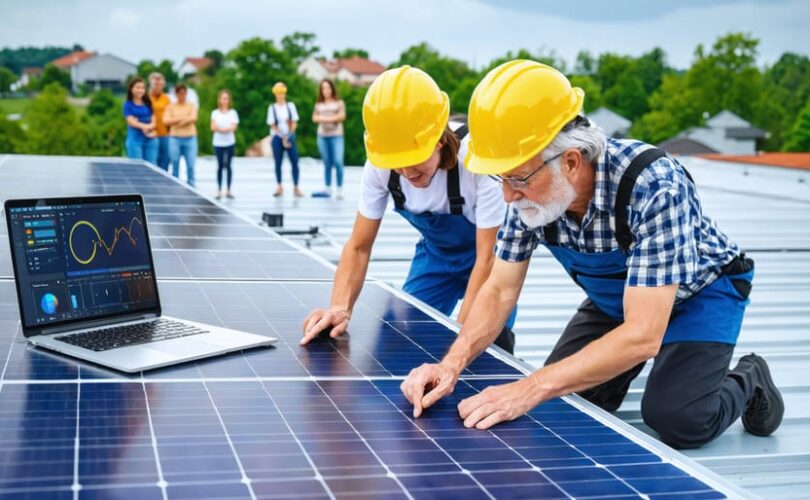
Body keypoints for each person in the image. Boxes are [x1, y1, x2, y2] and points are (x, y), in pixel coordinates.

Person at [400, 60, 784, 450]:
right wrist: (450, 365)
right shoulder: (530, 198)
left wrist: (531, 386)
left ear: (570, 161)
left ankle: (750, 378)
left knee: (678, 419)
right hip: (618, 300)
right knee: (568, 406)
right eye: (500, 178)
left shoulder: (653, 186)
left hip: (701, 296)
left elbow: (642, 334)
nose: (507, 196)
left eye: (516, 178)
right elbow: (499, 290)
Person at [301, 66, 516, 354]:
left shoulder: (477, 162)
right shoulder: (380, 164)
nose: (405, 170)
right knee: (403, 338)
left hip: (488, 263)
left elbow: (487, 259)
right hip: (435, 258)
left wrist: (459, 347)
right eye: (396, 161)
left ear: (439, 138)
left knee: (488, 345)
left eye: (414, 158)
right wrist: (340, 307)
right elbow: (358, 247)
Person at [312, 79, 346, 199]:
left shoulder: (339, 103)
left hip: (336, 136)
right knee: (327, 162)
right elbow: (314, 118)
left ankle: (340, 189)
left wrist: (324, 118)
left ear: (332, 89)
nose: (326, 90)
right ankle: (327, 188)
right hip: (322, 136)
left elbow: (341, 116)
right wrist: (332, 117)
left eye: (328, 88)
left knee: (338, 161)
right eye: (323, 88)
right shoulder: (318, 104)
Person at [267, 82, 302, 198]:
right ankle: (279, 186)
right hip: (277, 136)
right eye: (278, 93)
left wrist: (289, 134)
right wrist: (281, 135)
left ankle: (296, 186)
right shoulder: (272, 108)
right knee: (278, 162)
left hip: (290, 135)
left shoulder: (290, 106)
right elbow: (272, 124)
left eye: (281, 93)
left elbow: (295, 122)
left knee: (294, 161)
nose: (280, 95)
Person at [163, 83, 198, 186]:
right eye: (179, 93)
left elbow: (193, 118)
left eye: (183, 93)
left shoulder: (191, 105)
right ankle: (175, 185)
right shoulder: (171, 107)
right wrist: (183, 119)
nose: (182, 95)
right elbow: (166, 120)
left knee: (190, 165)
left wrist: (176, 123)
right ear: (176, 94)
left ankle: (191, 185)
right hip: (175, 139)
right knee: (175, 163)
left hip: (190, 138)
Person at [210, 90, 239, 199]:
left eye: (226, 98)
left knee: (229, 166)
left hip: (229, 142)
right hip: (218, 143)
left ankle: (229, 189)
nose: (224, 101)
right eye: (223, 98)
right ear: (220, 100)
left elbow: (234, 127)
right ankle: (219, 189)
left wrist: (222, 129)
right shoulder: (215, 113)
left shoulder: (233, 113)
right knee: (220, 166)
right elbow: (213, 127)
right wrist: (225, 129)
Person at [122, 77, 157, 163]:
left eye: (142, 88)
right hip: (135, 140)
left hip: (150, 139)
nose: (140, 90)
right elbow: (131, 121)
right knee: (138, 167)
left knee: (152, 166)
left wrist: (145, 127)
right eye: (137, 87)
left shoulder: (148, 103)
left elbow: (154, 121)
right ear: (131, 89)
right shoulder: (128, 105)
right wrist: (145, 127)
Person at [149, 72, 171, 171]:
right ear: (151, 84)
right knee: (153, 162)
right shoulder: (146, 97)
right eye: (156, 84)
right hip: (151, 134)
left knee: (165, 160)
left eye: (160, 84)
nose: (158, 86)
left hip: (165, 134)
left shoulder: (166, 98)